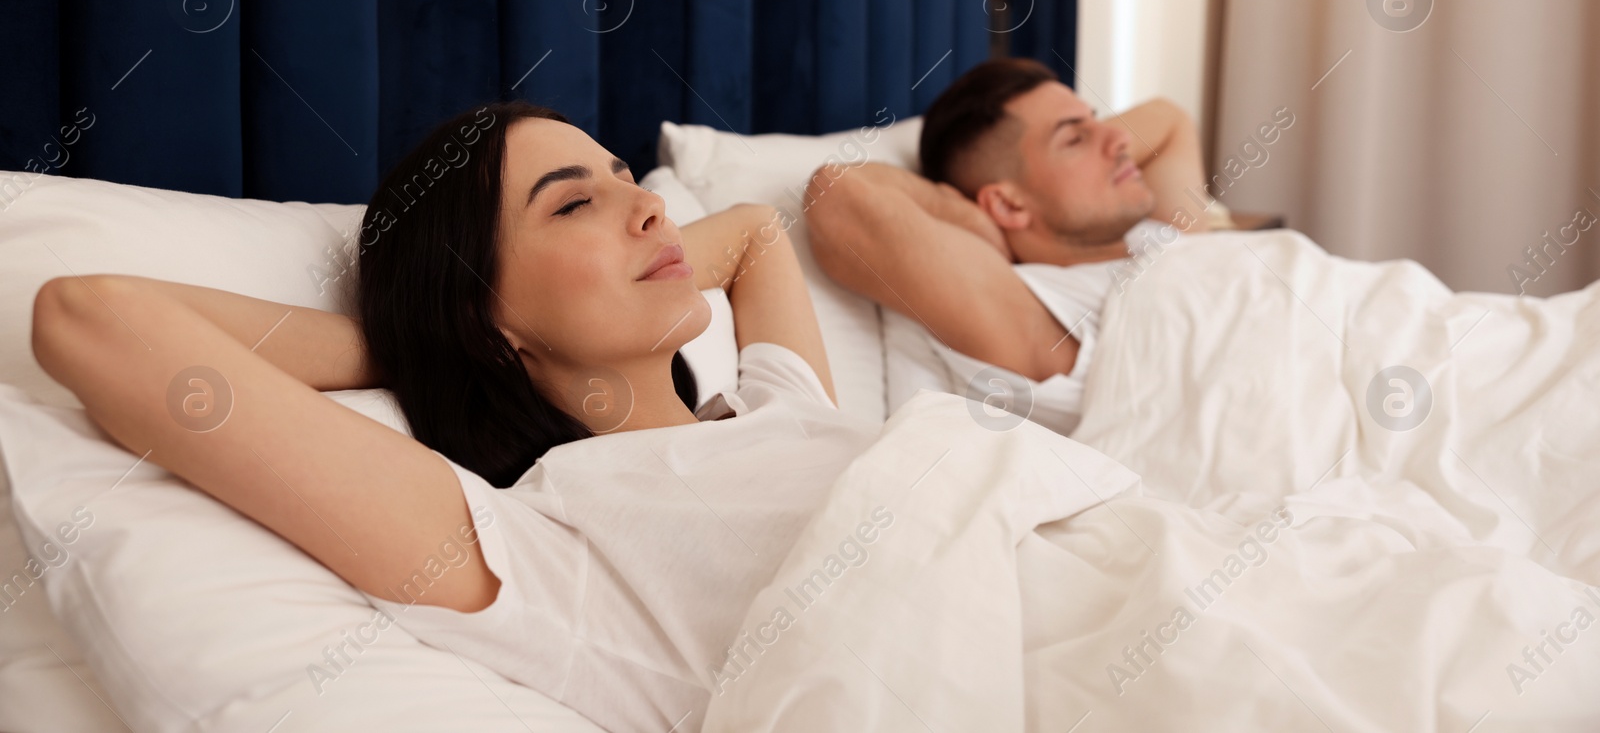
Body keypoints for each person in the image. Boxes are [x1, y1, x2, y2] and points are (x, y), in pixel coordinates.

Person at [30, 100, 881, 733]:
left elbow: (760, 232)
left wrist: (606, 268)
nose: (653, 208)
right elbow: (90, 316)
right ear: (487, 317)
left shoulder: (779, 404)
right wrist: (433, 340)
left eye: (625, 176)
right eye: (572, 203)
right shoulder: (549, 545)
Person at [805, 57, 1214, 433]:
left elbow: (1168, 118)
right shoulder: (1040, 313)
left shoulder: (1159, 237)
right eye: (1075, 139)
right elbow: (836, 193)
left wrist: (1082, 139)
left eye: (1096, 121)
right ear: (1006, 202)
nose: (1120, 141)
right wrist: (970, 220)